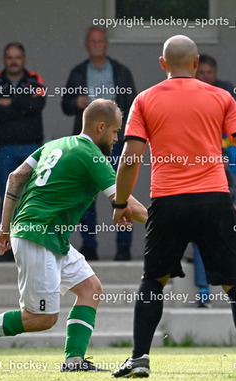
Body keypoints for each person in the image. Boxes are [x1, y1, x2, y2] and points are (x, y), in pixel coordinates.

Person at [111, 35, 236, 378]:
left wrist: (122, 202)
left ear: (162, 64)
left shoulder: (144, 100)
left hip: (168, 203)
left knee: (153, 282)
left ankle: (139, 359)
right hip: (215, 201)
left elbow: (129, 160)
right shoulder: (221, 97)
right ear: (198, 63)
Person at [0, 99, 148, 371]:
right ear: (100, 127)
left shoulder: (55, 144)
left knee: (90, 289)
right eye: (114, 131)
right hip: (38, 236)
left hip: (49, 236)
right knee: (41, 318)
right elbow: (127, 203)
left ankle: (74, 362)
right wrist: (165, 224)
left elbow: (16, 177)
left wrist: (4, 228)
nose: (116, 137)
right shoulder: (92, 155)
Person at [62, 27, 136, 261]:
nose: (96, 45)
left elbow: (133, 105)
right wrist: (77, 102)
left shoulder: (121, 72)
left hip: (114, 142)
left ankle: (123, 247)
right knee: (86, 196)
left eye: (100, 41)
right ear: (86, 44)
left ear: (106, 44)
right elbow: (64, 105)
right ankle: (90, 245)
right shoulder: (77, 73)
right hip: (87, 145)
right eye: (92, 41)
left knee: (121, 193)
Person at [0, 42, 46, 262]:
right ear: (4, 59)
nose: (14, 61)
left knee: (33, 199)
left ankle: (31, 248)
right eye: (10, 57)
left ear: (24, 60)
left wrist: (9, 102)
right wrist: (22, 106)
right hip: (4, 149)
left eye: (17, 57)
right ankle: (8, 249)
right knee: (7, 197)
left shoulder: (35, 79)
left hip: (32, 149)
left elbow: (38, 104)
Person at [194, 164, 236, 308]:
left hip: (230, 230)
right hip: (207, 230)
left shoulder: (235, 183)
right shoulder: (198, 181)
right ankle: (203, 292)